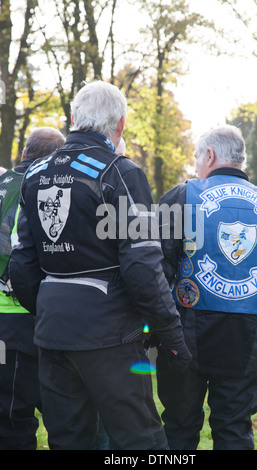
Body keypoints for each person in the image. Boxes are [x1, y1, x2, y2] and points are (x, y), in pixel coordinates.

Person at [9, 80, 191, 450]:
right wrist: (171, 334)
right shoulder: (120, 172)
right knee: (142, 442)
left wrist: (50, 306)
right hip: (109, 336)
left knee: (69, 441)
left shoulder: (35, 172)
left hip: (52, 331)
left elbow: (22, 265)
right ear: (120, 124)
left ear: (74, 117)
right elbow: (142, 265)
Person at [156, 125, 257, 450]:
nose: (195, 167)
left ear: (209, 155)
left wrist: (159, 330)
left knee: (178, 428)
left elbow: (157, 272)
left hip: (185, 334)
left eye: (196, 157)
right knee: (235, 430)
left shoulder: (182, 196)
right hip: (249, 336)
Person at [0, 127, 65, 450]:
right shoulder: (45, 189)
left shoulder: (2, 184)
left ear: (24, 153)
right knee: (48, 415)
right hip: (28, 320)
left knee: (9, 413)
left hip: (4, 327)